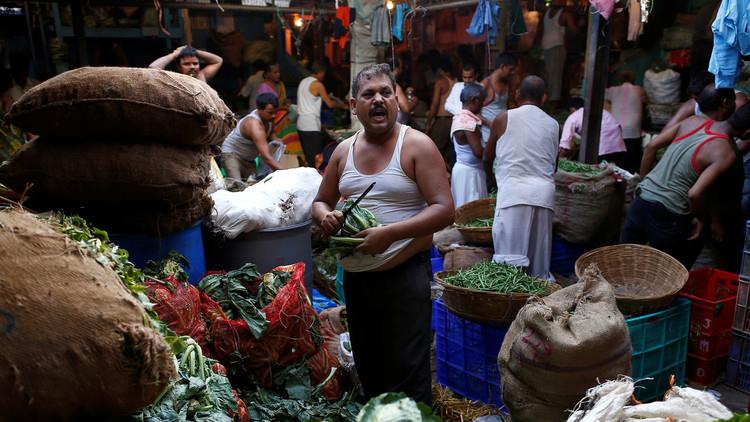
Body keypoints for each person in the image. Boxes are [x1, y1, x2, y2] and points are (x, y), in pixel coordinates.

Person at [311, 63, 454, 405]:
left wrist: (390, 233)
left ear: (396, 100)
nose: (378, 100)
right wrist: (327, 217)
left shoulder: (417, 145)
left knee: (408, 371)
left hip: (403, 277)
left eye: (386, 93)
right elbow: (320, 201)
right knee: (370, 368)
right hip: (358, 281)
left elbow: (445, 209)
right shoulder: (343, 151)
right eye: (369, 94)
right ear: (353, 105)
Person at [623, 89, 749, 270]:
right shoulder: (726, 151)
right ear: (747, 133)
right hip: (668, 214)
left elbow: (651, 146)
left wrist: (643, 182)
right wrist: (702, 219)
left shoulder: (693, 121)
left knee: (622, 267)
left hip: (641, 200)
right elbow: (695, 193)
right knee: (664, 277)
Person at [483, 76, 558, 281]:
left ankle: (509, 307)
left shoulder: (503, 118)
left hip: (513, 193)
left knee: (508, 265)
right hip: (543, 195)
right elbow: (554, 164)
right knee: (538, 268)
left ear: (517, 94)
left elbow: (486, 158)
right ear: (544, 98)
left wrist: (495, 183)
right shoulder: (553, 124)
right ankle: (538, 307)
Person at [220, 93, 285, 188]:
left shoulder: (269, 118)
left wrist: (275, 139)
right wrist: (289, 173)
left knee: (253, 189)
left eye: (276, 112)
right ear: (259, 109)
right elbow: (266, 158)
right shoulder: (254, 125)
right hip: (232, 154)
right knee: (237, 188)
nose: (274, 115)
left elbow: (271, 132)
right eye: (270, 112)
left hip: (249, 159)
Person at [297, 61, 348, 167]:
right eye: (324, 73)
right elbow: (329, 104)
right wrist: (343, 106)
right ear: (320, 72)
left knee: (309, 157)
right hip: (311, 125)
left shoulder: (303, 82)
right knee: (316, 159)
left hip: (301, 124)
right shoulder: (318, 84)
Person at [559, 97, 627, 166]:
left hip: (601, 151)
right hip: (618, 148)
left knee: (596, 172)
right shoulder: (603, 111)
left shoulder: (573, 117)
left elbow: (564, 145)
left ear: (572, 108)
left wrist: (560, 161)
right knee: (615, 173)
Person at [451, 84, 488, 207]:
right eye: (482, 101)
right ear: (475, 100)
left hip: (462, 171)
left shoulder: (458, 118)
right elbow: (478, 152)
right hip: (470, 174)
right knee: (472, 212)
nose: (483, 105)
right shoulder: (468, 122)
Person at [606, 70, 647, 172]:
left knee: (618, 162)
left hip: (617, 130)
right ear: (633, 79)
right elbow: (645, 101)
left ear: (619, 80)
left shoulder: (613, 90)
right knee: (631, 162)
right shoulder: (639, 90)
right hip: (633, 131)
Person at [540, 0, 576, 109]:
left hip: (553, 48)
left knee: (553, 77)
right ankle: (551, 105)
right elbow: (573, 31)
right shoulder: (565, 14)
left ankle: (552, 105)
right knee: (554, 77)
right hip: (554, 48)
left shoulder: (548, 12)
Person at [479, 53, 518, 146]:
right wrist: (489, 124)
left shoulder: (508, 83)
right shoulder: (485, 84)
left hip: (503, 135)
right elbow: (473, 112)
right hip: (487, 136)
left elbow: (509, 105)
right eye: (511, 69)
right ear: (503, 67)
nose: (513, 73)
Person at [426, 57, 456, 165]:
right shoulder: (457, 80)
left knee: (434, 150)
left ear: (440, 69)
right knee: (447, 152)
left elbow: (434, 104)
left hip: (442, 120)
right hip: (454, 120)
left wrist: (428, 122)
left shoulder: (440, 81)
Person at [148, 45, 223, 82]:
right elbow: (153, 68)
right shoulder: (174, 79)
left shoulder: (201, 76)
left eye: (195, 63)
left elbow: (218, 60)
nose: (192, 67)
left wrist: (195, 51)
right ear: (178, 66)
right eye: (187, 64)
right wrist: (174, 54)